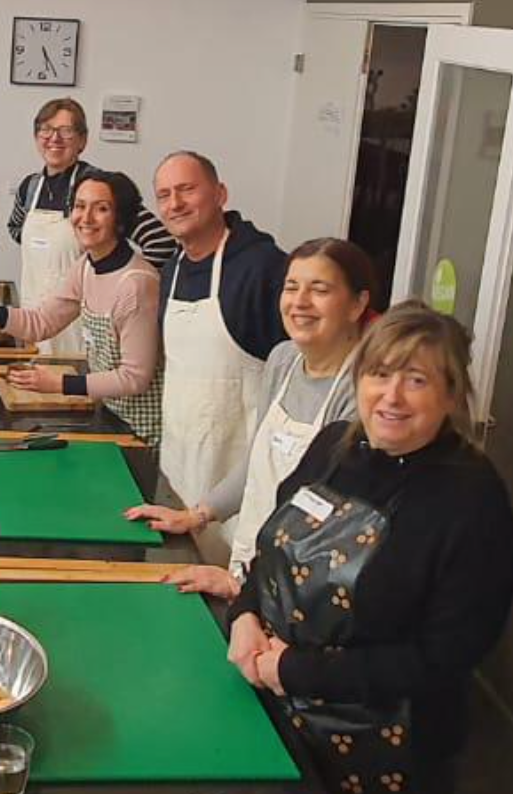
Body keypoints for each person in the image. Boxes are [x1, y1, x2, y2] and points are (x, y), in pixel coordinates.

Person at [227, 300, 513, 794]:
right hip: (275, 706)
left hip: (385, 747)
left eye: (417, 380)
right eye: (379, 374)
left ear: (451, 396)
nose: (392, 397)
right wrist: (245, 613)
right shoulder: (334, 446)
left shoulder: (471, 498)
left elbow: (443, 658)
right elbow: (271, 551)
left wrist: (296, 669)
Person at [127, 238, 375, 595]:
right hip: (255, 558)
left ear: (357, 304)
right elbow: (256, 459)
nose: (300, 302)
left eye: (319, 289)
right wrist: (198, 516)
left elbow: (331, 524)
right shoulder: (283, 360)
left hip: (306, 585)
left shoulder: (361, 390)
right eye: (292, 287)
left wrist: (247, 588)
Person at [0, 169, 163, 445]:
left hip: (140, 431)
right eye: (80, 206)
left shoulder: (136, 284)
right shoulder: (86, 266)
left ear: (121, 220)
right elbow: (40, 323)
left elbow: (134, 378)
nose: (86, 218)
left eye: (101, 208)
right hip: (110, 414)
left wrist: (60, 384)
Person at [153, 150, 288, 563]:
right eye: (164, 194)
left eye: (187, 189)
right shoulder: (170, 269)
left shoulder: (264, 267)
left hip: (237, 481)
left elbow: (289, 375)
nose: (174, 203)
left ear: (220, 194)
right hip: (178, 466)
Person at [7, 98, 175, 355]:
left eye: (66, 131)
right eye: (46, 129)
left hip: (87, 329)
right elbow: (16, 228)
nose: (54, 138)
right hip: (38, 322)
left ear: (82, 141)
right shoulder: (29, 188)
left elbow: (161, 241)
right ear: (36, 136)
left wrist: (124, 286)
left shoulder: (97, 186)